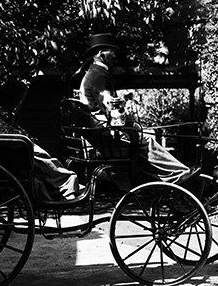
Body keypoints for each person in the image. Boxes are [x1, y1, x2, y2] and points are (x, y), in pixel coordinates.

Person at [78, 33, 198, 185]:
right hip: (105, 136)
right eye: (112, 51)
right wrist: (127, 119)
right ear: (101, 54)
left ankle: (165, 178)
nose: (115, 55)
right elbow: (110, 107)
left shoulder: (92, 74)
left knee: (142, 135)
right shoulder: (98, 75)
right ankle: (180, 173)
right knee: (146, 139)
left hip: (100, 134)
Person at [0, 65, 82, 202]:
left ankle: (61, 186)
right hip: (2, 145)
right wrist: (15, 135)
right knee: (40, 155)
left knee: (41, 155)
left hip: (5, 141)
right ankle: (68, 182)